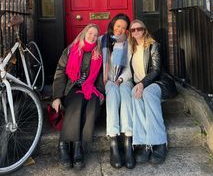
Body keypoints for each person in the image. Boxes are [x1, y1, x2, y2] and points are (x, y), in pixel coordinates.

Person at [52, 23, 104, 170]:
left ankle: (77, 147)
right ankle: (64, 144)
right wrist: (57, 96)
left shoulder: (98, 54)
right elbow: (60, 71)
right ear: (84, 33)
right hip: (72, 88)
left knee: (92, 104)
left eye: (95, 35)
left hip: (91, 88)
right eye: (90, 33)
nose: (92, 36)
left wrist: (100, 92)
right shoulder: (71, 50)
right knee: (78, 101)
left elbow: (100, 76)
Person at [128, 19, 170, 164]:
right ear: (131, 33)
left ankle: (159, 142)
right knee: (135, 94)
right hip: (140, 84)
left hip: (156, 82)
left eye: (139, 28)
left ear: (144, 30)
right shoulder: (131, 48)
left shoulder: (153, 46)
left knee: (148, 93)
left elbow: (156, 70)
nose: (136, 32)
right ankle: (143, 142)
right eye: (133, 30)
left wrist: (142, 84)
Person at [101, 13, 135, 169]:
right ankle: (114, 141)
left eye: (124, 27)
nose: (120, 30)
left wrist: (121, 79)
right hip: (108, 79)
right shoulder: (103, 41)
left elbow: (129, 68)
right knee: (113, 94)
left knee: (126, 95)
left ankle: (128, 141)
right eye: (118, 26)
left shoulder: (129, 43)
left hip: (124, 79)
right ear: (113, 24)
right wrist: (111, 79)